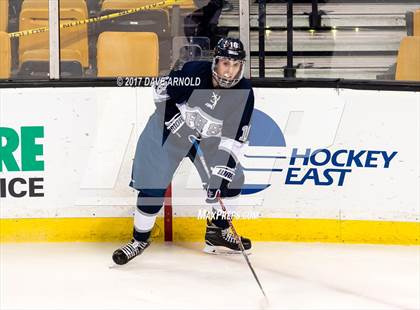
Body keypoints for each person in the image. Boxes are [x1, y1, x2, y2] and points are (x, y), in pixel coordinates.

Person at [112, 37, 254, 265]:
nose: (229, 71)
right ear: (216, 62)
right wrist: (174, 119)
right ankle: (139, 240)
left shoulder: (244, 91)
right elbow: (160, 90)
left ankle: (217, 232)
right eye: (226, 64)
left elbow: (235, 137)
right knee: (152, 185)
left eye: (235, 65)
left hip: (207, 139)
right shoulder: (194, 72)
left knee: (232, 179)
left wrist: (220, 174)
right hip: (166, 130)